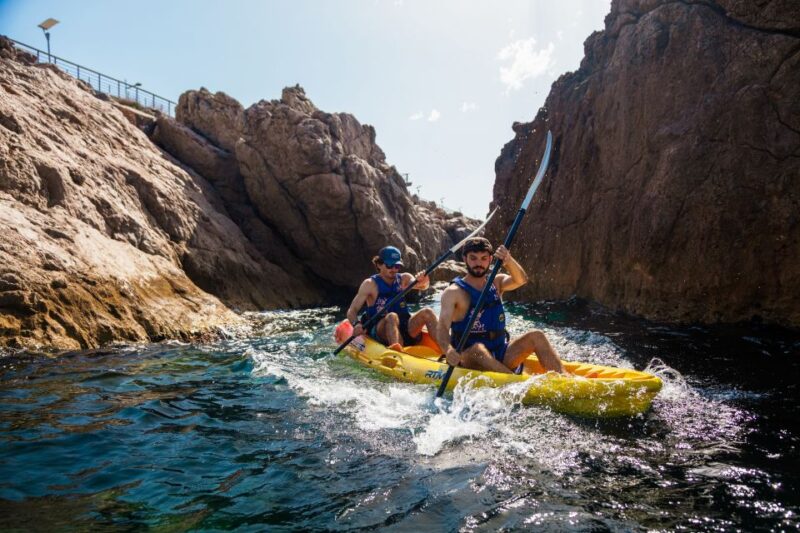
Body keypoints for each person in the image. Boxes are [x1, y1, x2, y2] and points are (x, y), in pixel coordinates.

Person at [435, 237, 566, 374]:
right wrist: (448, 350)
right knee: (477, 349)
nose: (478, 263)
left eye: (484, 258)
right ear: (465, 259)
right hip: (468, 357)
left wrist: (508, 260)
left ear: (490, 259)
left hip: (499, 352)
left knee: (536, 336)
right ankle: (513, 382)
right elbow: (442, 327)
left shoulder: (496, 283)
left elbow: (521, 280)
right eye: (473, 258)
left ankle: (564, 381)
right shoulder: (453, 292)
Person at [346, 246, 438, 349]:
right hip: (381, 330)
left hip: (405, 327)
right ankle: (397, 353)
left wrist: (423, 281)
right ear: (379, 264)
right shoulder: (370, 284)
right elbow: (352, 310)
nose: (394, 269)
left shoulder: (404, 278)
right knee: (392, 316)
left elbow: (419, 285)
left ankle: (448, 350)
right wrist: (356, 324)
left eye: (397, 265)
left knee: (427, 312)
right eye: (390, 265)